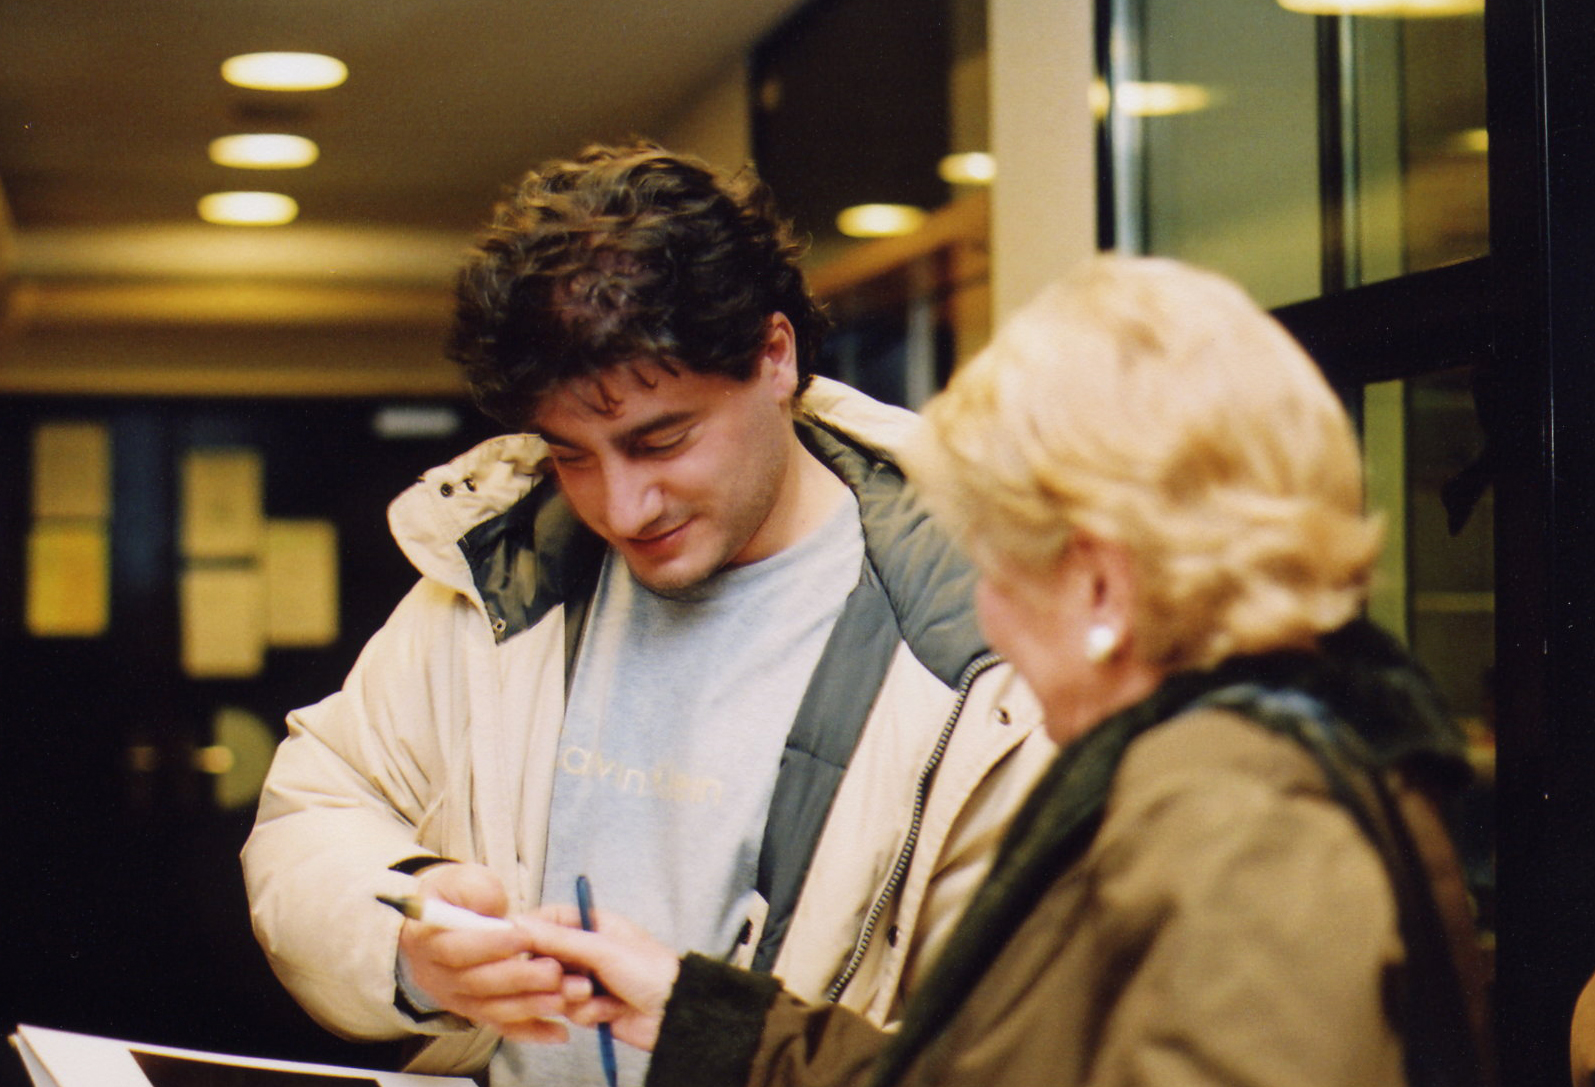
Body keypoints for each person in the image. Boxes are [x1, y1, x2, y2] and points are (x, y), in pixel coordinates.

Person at [517, 256, 1493, 1087]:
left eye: (991, 562)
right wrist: (701, 1019)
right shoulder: (1258, 760)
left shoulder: (1232, 817)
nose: (982, 610)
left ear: (1102, 586)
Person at [240, 142, 1055, 1086]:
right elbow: (316, 806)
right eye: (572, 455)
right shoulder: (506, 569)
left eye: (659, 440)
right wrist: (408, 934)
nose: (622, 507)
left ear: (775, 355)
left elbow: (1018, 1046)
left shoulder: (980, 635)